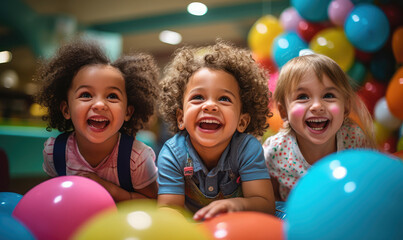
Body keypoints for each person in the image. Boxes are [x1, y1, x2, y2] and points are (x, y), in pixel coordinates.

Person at [157, 40, 276, 221]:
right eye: (198, 97)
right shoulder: (172, 153)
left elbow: (265, 204)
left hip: (237, 226)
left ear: (242, 121)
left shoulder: (246, 148)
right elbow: (168, 208)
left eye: (224, 99)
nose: (210, 106)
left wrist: (237, 205)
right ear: (181, 118)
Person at [35, 39, 160, 202]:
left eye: (112, 96)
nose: (100, 105)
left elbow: (155, 203)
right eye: (86, 95)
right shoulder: (55, 152)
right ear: (66, 110)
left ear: (128, 112)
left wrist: (113, 191)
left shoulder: (136, 159)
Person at [263, 54, 376, 202]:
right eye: (303, 97)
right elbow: (270, 198)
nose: (317, 106)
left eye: (328, 95)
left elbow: (368, 182)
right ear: (283, 111)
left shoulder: (353, 139)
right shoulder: (276, 150)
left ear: (346, 106)